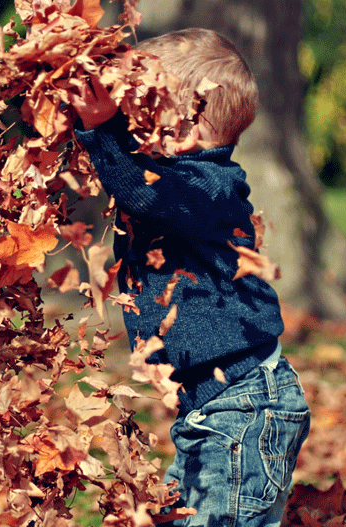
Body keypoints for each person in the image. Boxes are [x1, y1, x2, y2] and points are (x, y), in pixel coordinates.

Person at [70, 28, 310, 527]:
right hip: (214, 409)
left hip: (242, 410)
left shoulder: (209, 188)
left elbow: (147, 194)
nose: (130, 124)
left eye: (141, 111)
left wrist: (101, 132)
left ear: (187, 127)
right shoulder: (185, 184)